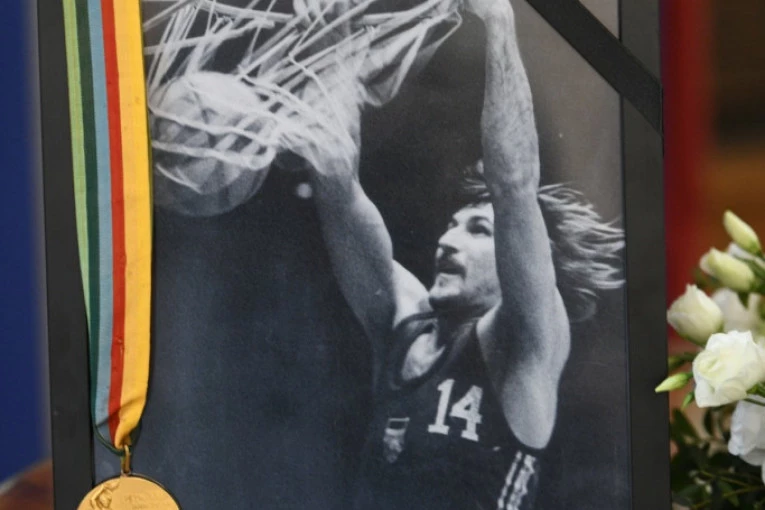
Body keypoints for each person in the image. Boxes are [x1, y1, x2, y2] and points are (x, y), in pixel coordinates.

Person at [299, 0, 625, 507]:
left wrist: (498, 22)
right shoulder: (403, 325)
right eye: (452, 226)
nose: (447, 240)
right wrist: (331, 40)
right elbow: (336, 184)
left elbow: (513, 186)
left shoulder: (523, 344)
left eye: (477, 230)